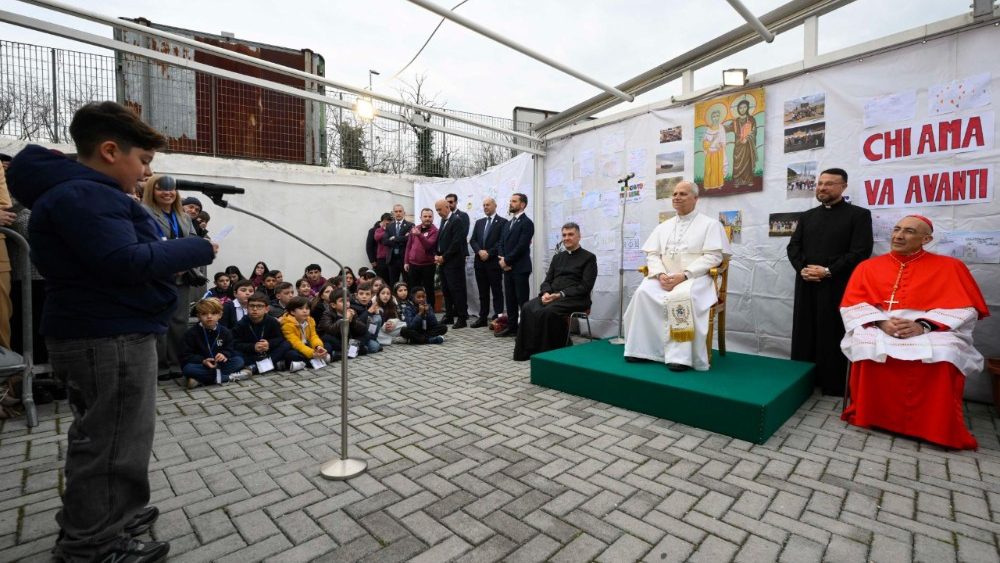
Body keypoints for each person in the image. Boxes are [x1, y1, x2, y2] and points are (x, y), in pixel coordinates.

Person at [6, 101, 216, 561]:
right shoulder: (86, 196)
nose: (145, 175)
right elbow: (123, 261)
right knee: (111, 443)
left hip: (106, 330)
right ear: (108, 150)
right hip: (108, 335)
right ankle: (93, 546)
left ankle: (115, 516)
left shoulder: (79, 192)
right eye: (142, 162)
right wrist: (193, 248)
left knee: (112, 437)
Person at [839, 216, 988, 450]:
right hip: (882, 323)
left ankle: (935, 428)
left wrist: (923, 325)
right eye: (896, 229)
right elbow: (852, 305)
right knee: (867, 346)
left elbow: (965, 308)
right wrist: (881, 323)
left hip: (932, 326)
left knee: (946, 352)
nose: (898, 236)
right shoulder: (867, 267)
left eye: (908, 231)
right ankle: (872, 415)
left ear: (926, 239)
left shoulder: (950, 266)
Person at [623, 181, 731, 371]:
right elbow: (652, 254)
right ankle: (642, 350)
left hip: (696, 278)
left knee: (681, 297)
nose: (676, 197)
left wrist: (685, 275)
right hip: (665, 278)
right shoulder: (663, 227)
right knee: (643, 293)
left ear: (696, 199)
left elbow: (714, 256)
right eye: (674, 194)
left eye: (682, 194)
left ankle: (680, 357)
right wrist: (660, 274)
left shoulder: (710, 225)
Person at [787, 168, 873, 396]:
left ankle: (832, 384)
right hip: (806, 283)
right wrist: (802, 269)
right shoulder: (807, 217)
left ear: (843, 187)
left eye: (829, 184)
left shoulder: (859, 215)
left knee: (832, 331)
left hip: (838, 284)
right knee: (804, 331)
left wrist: (827, 270)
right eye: (820, 183)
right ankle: (801, 380)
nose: (823, 188)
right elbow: (793, 247)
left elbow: (861, 251)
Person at [142, 174, 207, 379]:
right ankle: (160, 366)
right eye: (161, 188)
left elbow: (193, 241)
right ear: (152, 191)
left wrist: (188, 259)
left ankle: (177, 362)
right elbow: (147, 241)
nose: (167, 192)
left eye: (171, 189)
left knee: (180, 321)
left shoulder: (184, 216)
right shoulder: (144, 213)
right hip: (158, 277)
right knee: (161, 322)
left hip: (183, 276)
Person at [513, 223, 597, 361]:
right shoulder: (558, 257)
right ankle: (528, 351)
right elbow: (547, 280)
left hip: (576, 298)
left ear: (579, 237)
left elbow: (585, 286)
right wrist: (545, 293)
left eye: (570, 234)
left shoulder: (589, 258)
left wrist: (560, 294)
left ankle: (549, 354)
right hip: (553, 296)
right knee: (527, 307)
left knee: (547, 312)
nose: (566, 238)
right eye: (564, 235)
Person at [181, 298, 251, 388]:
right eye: (204, 314)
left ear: (220, 315)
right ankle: (229, 377)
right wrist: (203, 361)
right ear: (198, 316)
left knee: (239, 361)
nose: (209, 316)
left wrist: (224, 354)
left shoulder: (225, 332)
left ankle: (199, 380)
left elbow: (230, 348)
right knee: (187, 369)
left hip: (220, 365)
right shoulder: (191, 333)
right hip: (202, 365)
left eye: (213, 313)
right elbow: (186, 355)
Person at [496, 193, 533, 337]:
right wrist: (502, 259)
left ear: (522, 204)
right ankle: (512, 328)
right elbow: (501, 243)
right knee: (510, 299)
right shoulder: (508, 223)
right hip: (507, 268)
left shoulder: (527, 223)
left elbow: (522, 246)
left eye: (514, 201)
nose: (510, 203)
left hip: (520, 268)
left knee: (522, 300)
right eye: (510, 201)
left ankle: (524, 330)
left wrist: (507, 260)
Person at [470, 197, 507, 327]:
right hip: (480, 262)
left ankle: (498, 318)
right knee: (482, 292)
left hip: (493, 263)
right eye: (484, 205)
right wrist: (480, 251)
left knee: (497, 291)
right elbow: (472, 240)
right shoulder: (479, 222)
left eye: (488, 205)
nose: (485, 207)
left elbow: (501, 242)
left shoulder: (503, 222)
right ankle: (482, 317)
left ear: (495, 206)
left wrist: (489, 253)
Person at [233, 292, 290, 373]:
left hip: (268, 353)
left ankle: (255, 368)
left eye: (259, 306)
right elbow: (235, 344)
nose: (255, 309)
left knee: (286, 345)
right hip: (252, 354)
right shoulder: (241, 324)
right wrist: (253, 347)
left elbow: (280, 338)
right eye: (252, 306)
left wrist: (268, 344)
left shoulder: (272, 321)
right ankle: (270, 365)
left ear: (266, 309)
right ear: (247, 307)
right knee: (236, 355)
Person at [435, 198, 470, 328]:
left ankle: (462, 318)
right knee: (446, 290)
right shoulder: (443, 221)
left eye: (440, 209)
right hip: (443, 262)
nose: (438, 212)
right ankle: (449, 316)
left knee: (457, 290)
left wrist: (444, 257)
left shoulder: (457, 220)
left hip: (454, 262)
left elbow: (456, 242)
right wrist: (437, 255)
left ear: (447, 207)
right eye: (437, 210)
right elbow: (440, 240)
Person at [280, 296, 329, 372]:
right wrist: (312, 353)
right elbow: (296, 343)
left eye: (307, 308)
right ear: (292, 312)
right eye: (301, 309)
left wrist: (318, 347)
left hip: (307, 346)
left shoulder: (310, 321)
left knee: (327, 345)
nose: (305, 311)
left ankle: (302, 364)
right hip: (295, 348)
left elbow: (313, 336)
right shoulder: (287, 325)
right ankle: (311, 361)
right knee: (291, 354)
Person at [404, 208, 439, 311]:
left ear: (432, 218)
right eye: (425, 216)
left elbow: (428, 245)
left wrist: (419, 235)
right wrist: (406, 261)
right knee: (413, 289)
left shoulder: (435, 231)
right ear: (421, 217)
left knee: (429, 289)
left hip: (428, 265)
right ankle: (414, 309)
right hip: (413, 264)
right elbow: (408, 246)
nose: (427, 218)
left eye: (429, 216)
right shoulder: (415, 228)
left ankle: (430, 310)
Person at [725, 98, 758, 187]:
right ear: (738, 109)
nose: (742, 109)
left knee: (747, 164)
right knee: (737, 163)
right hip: (738, 146)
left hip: (747, 145)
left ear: (747, 108)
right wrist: (719, 127)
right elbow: (727, 128)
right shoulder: (735, 121)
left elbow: (754, 131)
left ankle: (748, 180)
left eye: (744, 107)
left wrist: (748, 138)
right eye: (740, 108)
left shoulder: (751, 119)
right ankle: (737, 181)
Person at [384, 204, 414, 286]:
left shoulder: (410, 225)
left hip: (404, 259)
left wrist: (394, 238)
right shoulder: (389, 226)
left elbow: (409, 239)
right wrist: (402, 238)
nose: (398, 213)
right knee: (393, 284)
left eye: (400, 211)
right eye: (396, 211)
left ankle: (408, 299)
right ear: (393, 213)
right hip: (392, 260)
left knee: (408, 283)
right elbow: (385, 241)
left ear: (404, 213)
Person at [701, 107, 726, 190]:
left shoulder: (721, 128)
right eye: (714, 116)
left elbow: (723, 140)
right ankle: (708, 185)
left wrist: (721, 145)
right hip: (710, 153)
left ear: (720, 117)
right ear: (711, 118)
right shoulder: (708, 129)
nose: (716, 118)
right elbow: (704, 143)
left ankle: (719, 184)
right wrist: (712, 140)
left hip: (718, 152)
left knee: (718, 169)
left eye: (717, 116)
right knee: (708, 170)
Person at [370, 212, 392, 282]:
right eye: (386, 221)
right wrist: (385, 230)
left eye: (390, 221)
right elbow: (376, 237)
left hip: (392, 258)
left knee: (391, 279)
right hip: (382, 259)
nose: (388, 223)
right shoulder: (378, 230)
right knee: (382, 279)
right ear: (382, 221)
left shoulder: (394, 229)